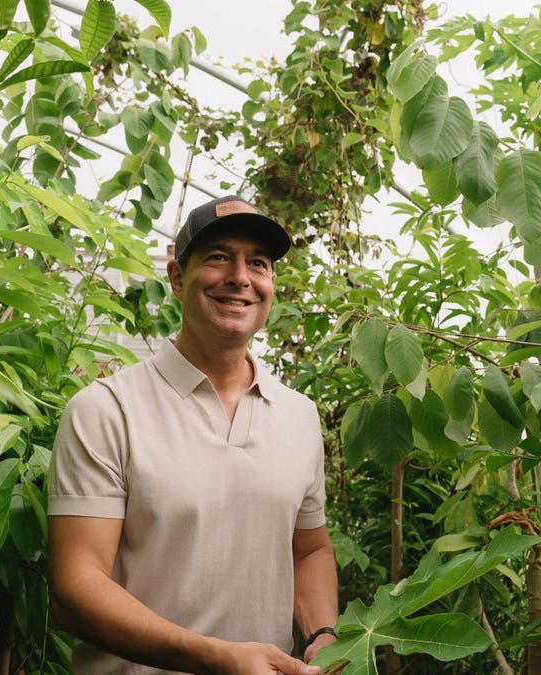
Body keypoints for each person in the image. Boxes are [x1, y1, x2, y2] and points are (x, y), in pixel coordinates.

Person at [47, 194, 340, 674]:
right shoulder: (106, 411)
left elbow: (309, 550)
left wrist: (324, 634)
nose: (240, 278)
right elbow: (75, 589)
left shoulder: (300, 416)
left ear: (270, 285)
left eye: (258, 263)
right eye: (219, 257)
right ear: (178, 277)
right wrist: (216, 656)